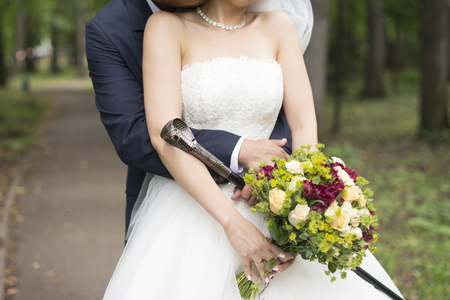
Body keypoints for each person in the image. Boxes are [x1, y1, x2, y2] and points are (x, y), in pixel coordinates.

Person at [101, 0, 404, 299]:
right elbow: (165, 135)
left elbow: (302, 125)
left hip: (267, 201)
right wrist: (233, 225)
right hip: (193, 207)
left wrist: (298, 210)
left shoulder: (280, 27)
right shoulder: (167, 28)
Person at [86, 0, 292, 234]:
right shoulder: (109, 31)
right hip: (175, 203)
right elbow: (134, 137)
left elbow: (281, 109)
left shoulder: (267, 22)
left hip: (268, 196)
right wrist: (239, 152)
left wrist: (275, 170)